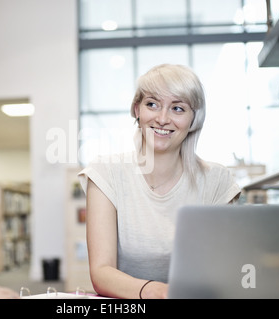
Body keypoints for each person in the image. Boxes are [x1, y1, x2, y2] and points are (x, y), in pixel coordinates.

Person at [78, 64, 241, 299]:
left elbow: (225, 268)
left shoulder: (217, 180)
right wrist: (156, 292)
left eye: (177, 108)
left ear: (194, 119)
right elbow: (102, 273)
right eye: (152, 104)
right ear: (137, 110)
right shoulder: (106, 172)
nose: (162, 119)